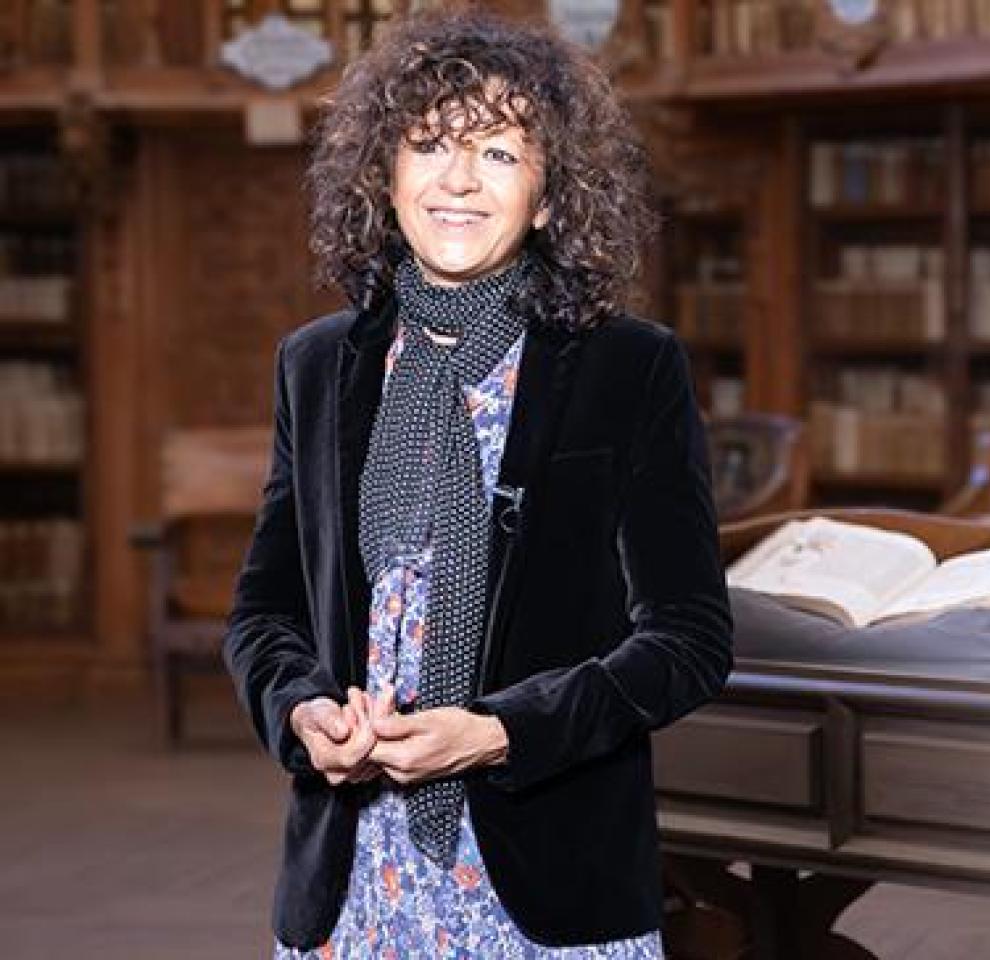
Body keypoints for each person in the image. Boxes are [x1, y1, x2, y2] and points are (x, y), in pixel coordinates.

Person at [223, 8, 732, 957]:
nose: (458, 179)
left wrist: (499, 732)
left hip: (550, 889)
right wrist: (300, 710)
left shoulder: (629, 369)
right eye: (429, 146)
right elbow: (264, 613)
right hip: (353, 889)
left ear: (547, 197)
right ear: (386, 174)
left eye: (499, 153)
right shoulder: (316, 366)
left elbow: (689, 642)